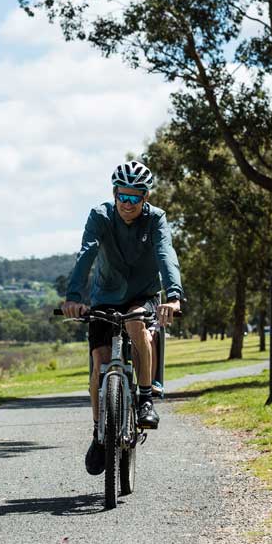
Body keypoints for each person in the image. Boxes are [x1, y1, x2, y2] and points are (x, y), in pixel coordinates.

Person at [61, 160, 183, 476]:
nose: (128, 204)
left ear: (145, 198)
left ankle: (144, 399)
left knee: (136, 324)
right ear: (115, 194)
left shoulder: (156, 219)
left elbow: (166, 255)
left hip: (142, 294)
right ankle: (98, 434)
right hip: (105, 294)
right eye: (122, 197)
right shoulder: (100, 216)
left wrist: (172, 295)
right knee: (100, 361)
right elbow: (86, 253)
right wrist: (74, 296)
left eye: (135, 198)